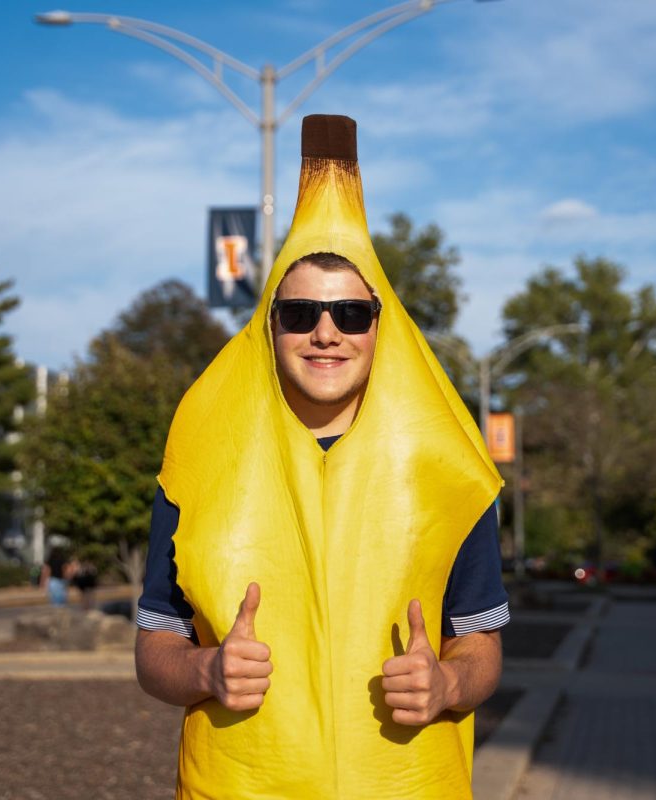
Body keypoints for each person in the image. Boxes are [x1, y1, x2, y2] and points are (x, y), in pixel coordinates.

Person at [135, 115, 507, 799]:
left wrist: (448, 680)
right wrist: (205, 672)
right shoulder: (197, 462)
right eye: (300, 314)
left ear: (379, 326)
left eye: (351, 315)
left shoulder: (446, 465)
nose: (326, 334)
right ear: (268, 330)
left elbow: (480, 642)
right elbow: (155, 644)